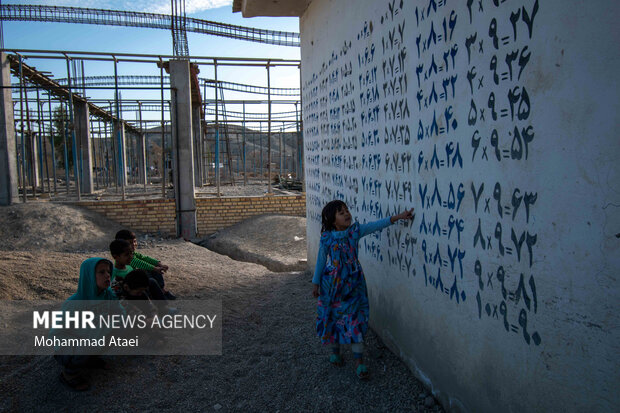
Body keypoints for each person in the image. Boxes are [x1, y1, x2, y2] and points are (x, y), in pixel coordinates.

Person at [312, 200, 414, 380]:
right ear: (332, 219)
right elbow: (321, 260)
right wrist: (316, 283)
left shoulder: (355, 232)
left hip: (353, 285)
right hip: (332, 286)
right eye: (341, 212)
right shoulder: (327, 238)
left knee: (355, 320)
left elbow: (375, 226)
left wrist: (397, 217)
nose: (346, 214)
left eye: (347, 210)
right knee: (334, 318)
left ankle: (359, 363)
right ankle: (335, 352)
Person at [53, 258, 119, 391]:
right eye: (101, 272)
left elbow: (119, 314)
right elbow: (59, 333)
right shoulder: (75, 302)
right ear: (88, 276)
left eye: (108, 271)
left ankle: (89, 359)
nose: (107, 275)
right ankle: (69, 374)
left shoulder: (108, 295)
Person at [114, 229, 175, 300]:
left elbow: (144, 258)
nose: (133, 244)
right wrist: (155, 268)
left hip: (133, 279)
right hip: (131, 283)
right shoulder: (124, 257)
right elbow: (138, 262)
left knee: (152, 268)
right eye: (130, 243)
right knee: (149, 275)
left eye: (134, 241)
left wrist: (159, 264)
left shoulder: (132, 253)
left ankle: (162, 290)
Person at [109, 239, 169, 306]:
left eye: (131, 253)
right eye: (127, 255)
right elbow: (116, 292)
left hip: (138, 292)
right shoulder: (113, 273)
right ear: (115, 257)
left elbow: (145, 259)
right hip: (127, 297)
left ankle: (163, 308)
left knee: (151, 281)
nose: (131, 257)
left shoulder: (129, 267)